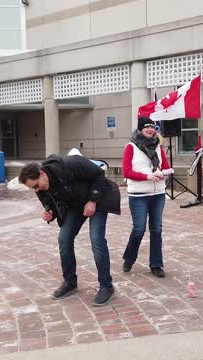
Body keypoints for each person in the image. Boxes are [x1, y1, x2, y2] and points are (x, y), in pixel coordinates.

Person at [18, 154, 121, 306]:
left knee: (96, 240)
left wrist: (92, 200)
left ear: (42, 173)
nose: (36, 190)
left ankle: (107, 286)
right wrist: (49, 213)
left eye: (35, 185)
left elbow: (99, 174)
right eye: (32, 188)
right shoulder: (40, 188)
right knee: (64, 239)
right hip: (76, 206)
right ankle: (70, 282)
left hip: (97, 200)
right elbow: (49, 203)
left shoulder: (70, 164)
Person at [122, 116, 171, 278]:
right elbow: (127, 172)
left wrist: (164, 174)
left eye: (152, 127)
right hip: (139, 195)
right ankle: (129, 258)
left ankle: (156, 264)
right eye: (147, 127)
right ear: (140, 129)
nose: (150, 130)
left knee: (156, 229)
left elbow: (166, 166)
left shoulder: (158, 146)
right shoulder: (131, 147)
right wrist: (148, 176)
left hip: (158, 194)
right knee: (139, 229)